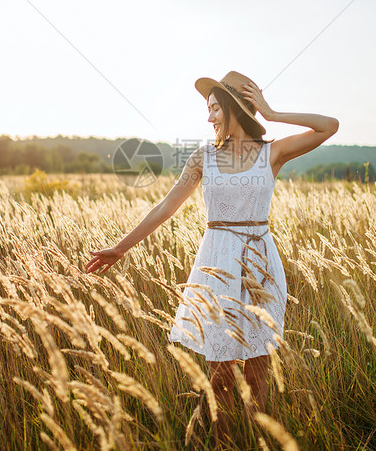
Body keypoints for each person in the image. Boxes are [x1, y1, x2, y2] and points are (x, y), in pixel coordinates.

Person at [86, 71, 339, 445]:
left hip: (260, 263)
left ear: (236, 107)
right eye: (209, 110)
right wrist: (121, 247)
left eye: (216, 108)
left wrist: (271, 112)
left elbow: (329, 126)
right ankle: (222, 442)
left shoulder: (273, 153)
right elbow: (165, 207)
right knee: (219, 375)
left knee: (257, 373)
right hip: (216, 266)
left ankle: (258, 440)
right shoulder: (203, 157)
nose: (210, 118)